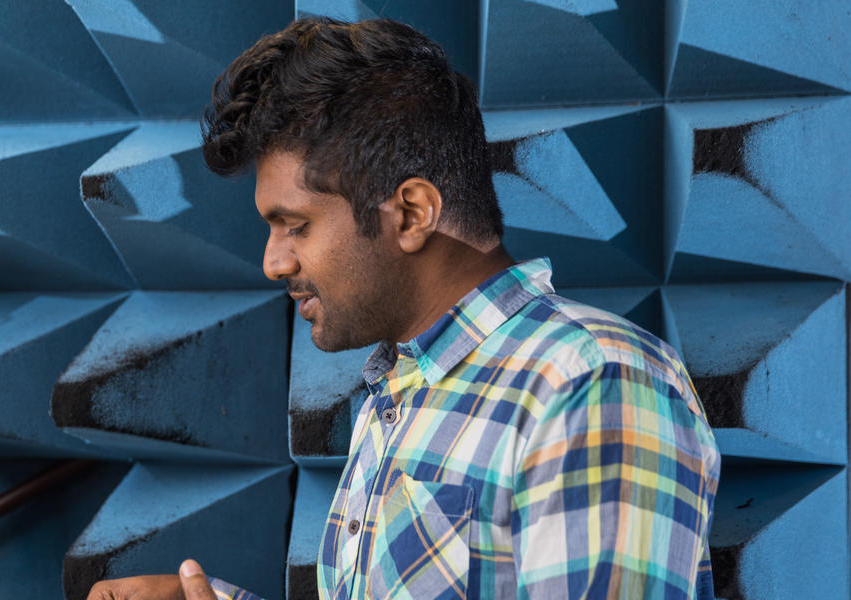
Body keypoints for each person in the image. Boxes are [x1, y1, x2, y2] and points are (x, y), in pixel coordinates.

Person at [89, 17, 719, 600]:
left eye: (296, 226)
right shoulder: (400, 388)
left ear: (413, 213)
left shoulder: (590, 382)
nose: (273, 263)